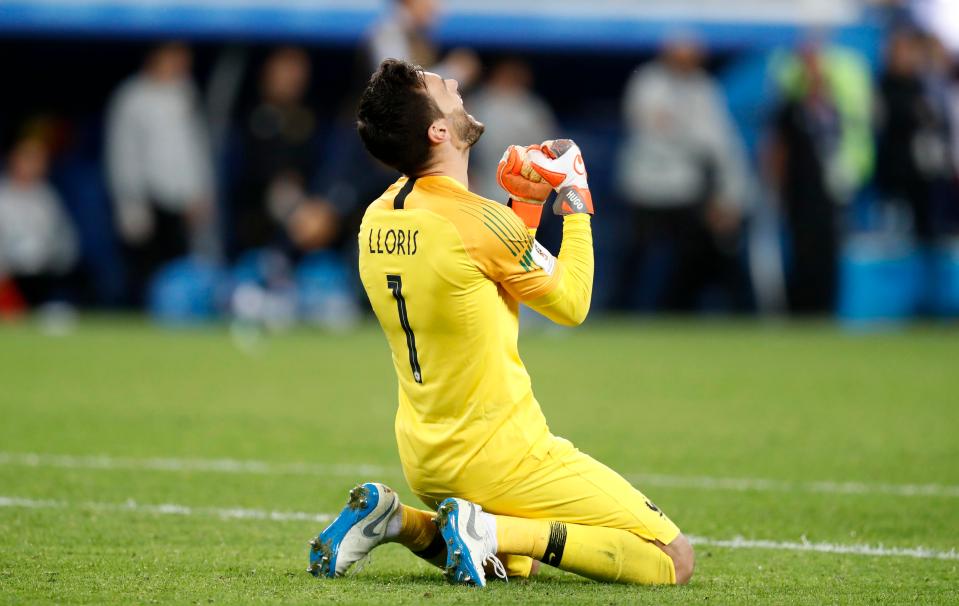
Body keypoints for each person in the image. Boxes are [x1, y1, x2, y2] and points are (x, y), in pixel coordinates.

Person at [306, 59, 694, 587]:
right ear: (438, 130)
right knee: (672, 559)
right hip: (503, 456)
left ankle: (399, 521)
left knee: (520, 568)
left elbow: (481, 281)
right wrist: (574, 198)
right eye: (444, 89)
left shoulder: (376, 218)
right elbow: (572, 303)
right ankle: (488, 528)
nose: (458, 87)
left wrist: (526, 205)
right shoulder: (479, 222)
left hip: (426, 460)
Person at [616, 37, 750, 312]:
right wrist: (692, 139)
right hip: (647, 184)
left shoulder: (704, 88)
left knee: (690, 255)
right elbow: (653, 128)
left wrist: (728, 192)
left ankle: (677, 311)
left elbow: (719, 140)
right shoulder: (648, 82)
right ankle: (619, 310)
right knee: (637, 254)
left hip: (687, 186)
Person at [105, 42, 215, 304]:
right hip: (146, 198)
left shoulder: (185, 92)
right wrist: (129, 203)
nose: (182, 65)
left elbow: (195, 149)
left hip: (181, 199)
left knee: (178, 272)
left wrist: (200, 191)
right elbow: (123, 153)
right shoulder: (132, 96)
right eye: (175, 58)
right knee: (144, 272)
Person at [232, 47, 337, 257]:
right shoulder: (245, 124)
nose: (293, 77)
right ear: (266, 72)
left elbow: (332, 173)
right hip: (255, 242)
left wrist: (322, 208)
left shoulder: (317, 122)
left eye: (299, 69)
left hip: (312, 240)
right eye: (286, 68)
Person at [0, 136, 78, 307]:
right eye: (28, 158)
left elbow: (65, 238)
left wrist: (59, 262)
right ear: (13, 159)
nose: (34, 165)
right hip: (7, 280)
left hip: (44, 277)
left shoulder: (48, 197)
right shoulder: (3, 196)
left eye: (39, 160)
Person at [467, 58, 558, 201]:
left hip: (523, 184)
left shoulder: (533, 107)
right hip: (482, 183)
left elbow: (549, 151)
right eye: (509, 72)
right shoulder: (477, 103)